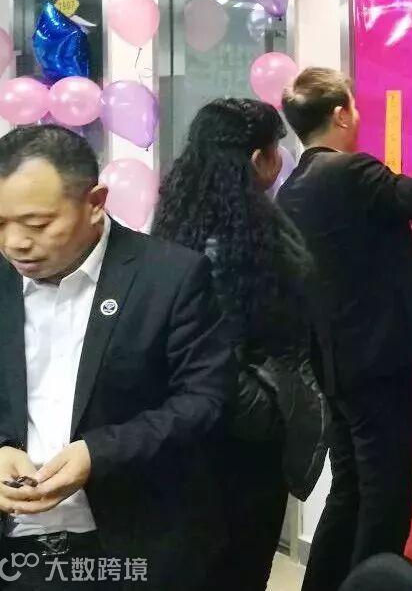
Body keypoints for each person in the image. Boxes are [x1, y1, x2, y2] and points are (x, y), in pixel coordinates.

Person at [0, 125, 233, 590]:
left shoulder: (170, 277)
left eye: (37, 224)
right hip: (4, 549)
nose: (15, 242)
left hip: (127, 542)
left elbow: (205, 401)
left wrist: (99, 454)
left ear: (95, 202)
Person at [275, 68, 412, 591]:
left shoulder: (294, 189)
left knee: (350, 490)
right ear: (340, 113)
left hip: (333, 364)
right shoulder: (351, 172)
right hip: (375, 362)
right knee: (387, 495)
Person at [152, 98, 326, 591]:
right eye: (276, 149)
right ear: (258, 159)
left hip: (189, 429)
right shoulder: (239, 240)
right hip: (241, 436)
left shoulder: (179, 221)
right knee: (241, 562)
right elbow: (223, 356)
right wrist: (269, 412)